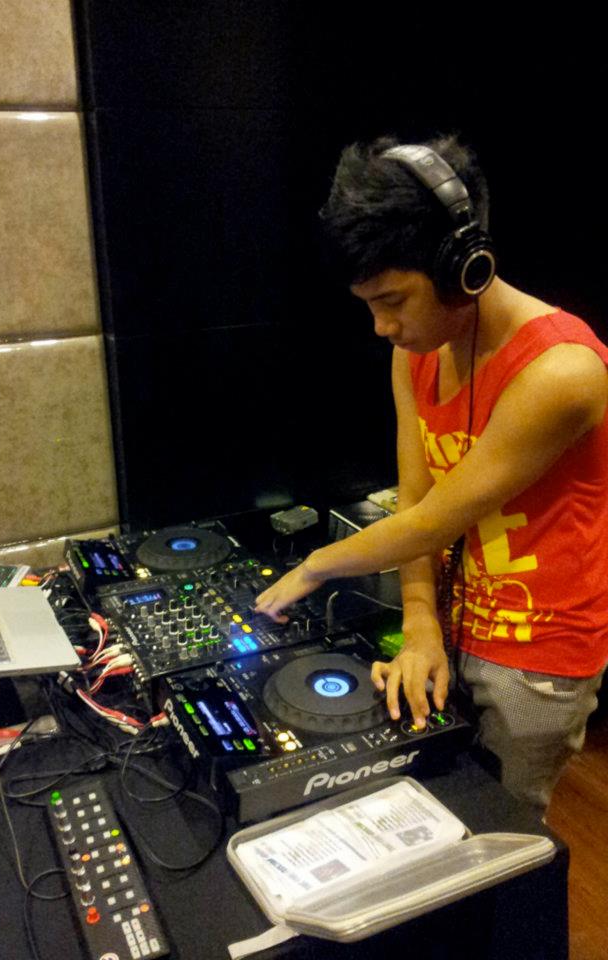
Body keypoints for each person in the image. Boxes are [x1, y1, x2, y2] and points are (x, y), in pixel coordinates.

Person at [254, 134, 608, 810]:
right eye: (368, 304)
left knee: (503, 832)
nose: (381, 326)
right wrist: (420, 624)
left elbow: (433, 522)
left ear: (463, 267)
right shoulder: (416, 352)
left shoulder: (563, 372)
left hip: (536, 657)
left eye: (393, 300)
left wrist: (318, 565)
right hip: (448, 617)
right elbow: (414, 502)